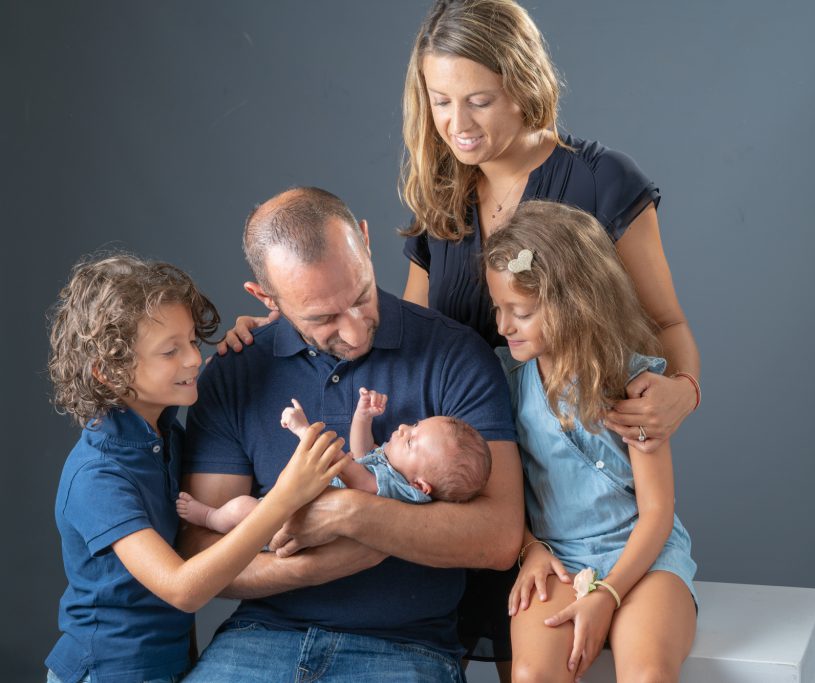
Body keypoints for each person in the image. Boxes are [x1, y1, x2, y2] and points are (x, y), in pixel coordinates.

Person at [217, 0, 702, 668]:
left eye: (478, 100)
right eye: (440, 102)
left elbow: (668, 323)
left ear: (525, 83)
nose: (457, 125)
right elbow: (408, 344)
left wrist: (685, 388)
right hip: (476, 487)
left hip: (575, 467)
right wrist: (294, 322)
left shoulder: (600, 179)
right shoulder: (440, 192)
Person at [178, 186, 521, 682]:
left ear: (364, 239)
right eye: (322, 318)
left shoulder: (454, 356)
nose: (357, 333)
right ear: (265, 298)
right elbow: (198, 547)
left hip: (406, 649)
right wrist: (313, 567)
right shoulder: (235, 373)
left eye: (361, 296)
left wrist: (347, 512)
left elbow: (498, 537)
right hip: (260, 640)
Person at [44, 254, 346, 683]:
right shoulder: (97, 476)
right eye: (170, 350)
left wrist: (282, 326)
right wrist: (283, 500)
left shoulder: (165, 435)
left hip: (169, 665)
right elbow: (183, 589)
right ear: (107, 372)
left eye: (190, 341)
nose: (192, 359)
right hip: (108, 672)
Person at [485, 200, 698, 681]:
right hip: (555, 558)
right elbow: (497, 493)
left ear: (571, 302)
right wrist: (529, 548)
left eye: (519, 312)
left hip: (645, 554)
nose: (502, 326)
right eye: (498, 309)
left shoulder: (634, 383)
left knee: (648, 673)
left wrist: (610, 594)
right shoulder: (506, 383)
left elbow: (658, 512)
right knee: (531, 676)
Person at [177, 390, 492, 535]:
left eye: (411, 440)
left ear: (421, 485)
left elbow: (350, 468)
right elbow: (361, 451)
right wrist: (362, 416)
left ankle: (209, 518)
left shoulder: (401, 492)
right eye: (416, 424)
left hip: (290, 524)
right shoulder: (393, 470)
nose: (403, 428)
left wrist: (304, 430)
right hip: (295, 508)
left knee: (242, 509)